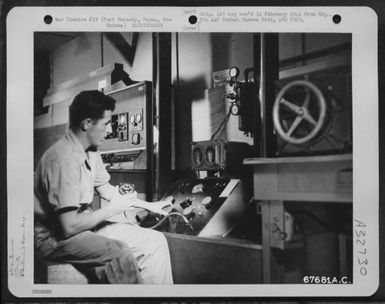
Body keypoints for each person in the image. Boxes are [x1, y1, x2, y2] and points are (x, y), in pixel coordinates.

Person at [34, 90, 173, 284]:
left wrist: (150, 206)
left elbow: (107, 190)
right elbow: (68, 226)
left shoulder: (91, 152)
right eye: (106, 124)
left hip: (83, 225)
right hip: (54, 238)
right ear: (87, 124)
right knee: (120, 253)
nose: (109, 131)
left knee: (155, 242)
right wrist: (112, 210)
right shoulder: (62, 159)